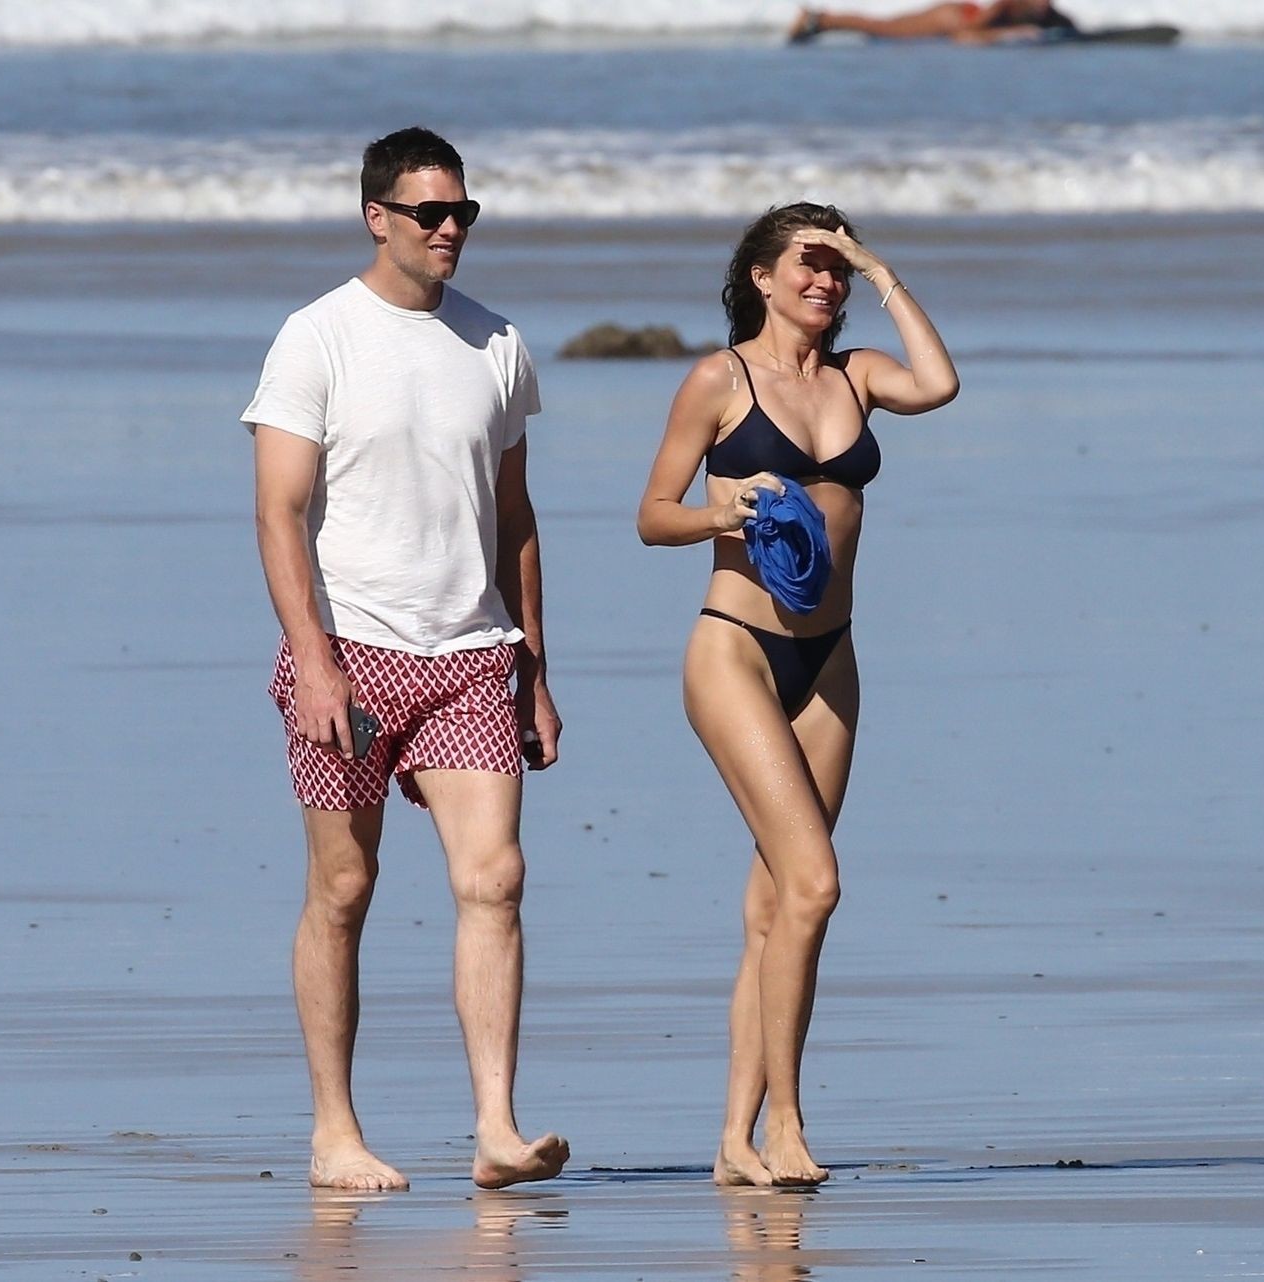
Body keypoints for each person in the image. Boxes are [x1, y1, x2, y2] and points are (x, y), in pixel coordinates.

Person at [244, 126, 568, 1192]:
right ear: (376, 216)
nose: (449, 229)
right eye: (430, 213)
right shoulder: (317, 338)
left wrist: (534, 667)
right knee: (344, 887)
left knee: (495, 878)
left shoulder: (496, 342)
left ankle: (496, 1130)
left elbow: (516, 516)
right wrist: (314, 660)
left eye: (462, 212)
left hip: (471, 653)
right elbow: (279, 512)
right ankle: (334, 1132)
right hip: (351, 653)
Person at [635, 204, 959, 1185]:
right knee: (815, 883)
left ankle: (735, 1141)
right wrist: (719, 513)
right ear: (762, 278)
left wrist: (880, 267)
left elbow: (940, 384)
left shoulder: (860, 376)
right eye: (808, 264)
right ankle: (786, 1124)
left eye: (837, 268)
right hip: (736, 650)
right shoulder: (719, 380)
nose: (826, 281)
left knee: (779, 903)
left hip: (830, 660)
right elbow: (652, 514)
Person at [789, 0, 1077, 43]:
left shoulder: (1047, 12)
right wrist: (1014, 33)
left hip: (957, 15)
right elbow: (966, 36)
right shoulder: (1005, 7)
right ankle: (818, 19)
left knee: (881, 26)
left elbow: (1072, 28)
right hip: (951, 19)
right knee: (880, 27)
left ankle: (817, 20)